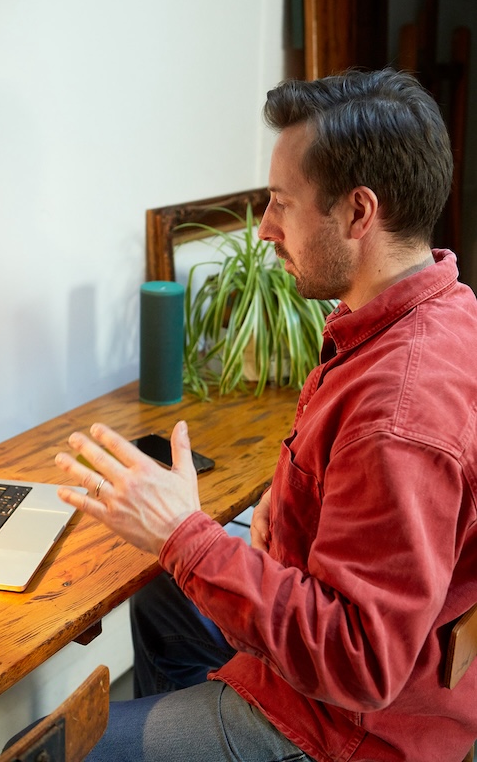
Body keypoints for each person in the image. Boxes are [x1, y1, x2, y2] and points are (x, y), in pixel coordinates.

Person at [54, 69, 477, 762]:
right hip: (371, 679)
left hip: (345, 728)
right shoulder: (432, 306)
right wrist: (226, 533)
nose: (263, 229)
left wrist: (188, 535)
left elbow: (359, 665)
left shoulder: (399, 411)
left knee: (53, 750)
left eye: (281, 203)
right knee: (165, 597)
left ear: (358, 213)